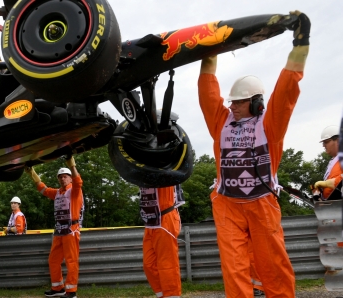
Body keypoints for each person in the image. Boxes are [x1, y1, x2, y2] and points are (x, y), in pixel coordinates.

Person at [197, 10, 310, 297]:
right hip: (227, 204)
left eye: (239, 102)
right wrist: (209, 52)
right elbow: (208, 93)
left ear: (257, 102)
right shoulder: (221, 122)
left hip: (262, 204)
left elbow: (286, 93)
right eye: (231, 102)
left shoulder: (269, 125)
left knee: (272, 264)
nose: (232, 106)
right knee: (234, 267)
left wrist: (300, 46)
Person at [25, 155, 84, 298]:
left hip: (71, 230)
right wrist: (31, 172)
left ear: (70, 178)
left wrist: (72, 165)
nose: (62, 179)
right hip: (59, 231)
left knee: (71, 261)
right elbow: (43, 189)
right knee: (53, 260)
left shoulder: (75, 191)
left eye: (65, 176)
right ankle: (58, 288)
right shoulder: (57, 193)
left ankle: (71, 292)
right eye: (60, 177)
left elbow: (78, 181)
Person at [140, 185, 184, 298]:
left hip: (165, 217)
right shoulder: (143, 172)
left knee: (167, 263)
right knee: (148, 264)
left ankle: (172, 295)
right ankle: (162, 295)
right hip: (151, 221)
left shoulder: (164, 171)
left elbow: (166, 171)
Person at [312, 125, 341, 200]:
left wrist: (327, 183)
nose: (323, 145)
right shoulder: (333, 161)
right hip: (331, 205)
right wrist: (318, 194)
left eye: (326, 142)